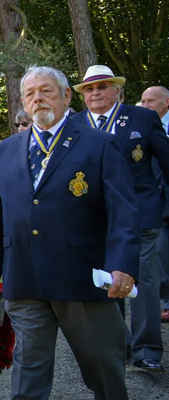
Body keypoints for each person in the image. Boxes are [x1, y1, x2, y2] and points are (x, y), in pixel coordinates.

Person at [0, 65, 140, 399]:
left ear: (67, 96)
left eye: (46, 91)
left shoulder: (100, 144)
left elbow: (123, 211)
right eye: (30, 94)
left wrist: (123, 264)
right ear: (23, 102)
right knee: (28, 376)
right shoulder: (5, 150)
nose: (38, 99)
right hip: (24, 279)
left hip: (82, 276)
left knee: (104, 371)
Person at [71, 65, 169, 372]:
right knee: (105, 281)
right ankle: (119, 344)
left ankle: (148, 350)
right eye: (89, 89)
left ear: (117, 90)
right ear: (83, 95)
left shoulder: (143, 118)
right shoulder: (73, 124)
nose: (96, 93)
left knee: (143, 280)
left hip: (141, 213)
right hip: (94, 218)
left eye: (102, 87)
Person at [141, 86, 169, 322]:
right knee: (160, 252)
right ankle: (167, 301)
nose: (146, 104)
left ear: (166, 102)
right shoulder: (140, 127)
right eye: (143, 100)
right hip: (157, 204)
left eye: (151, 100)